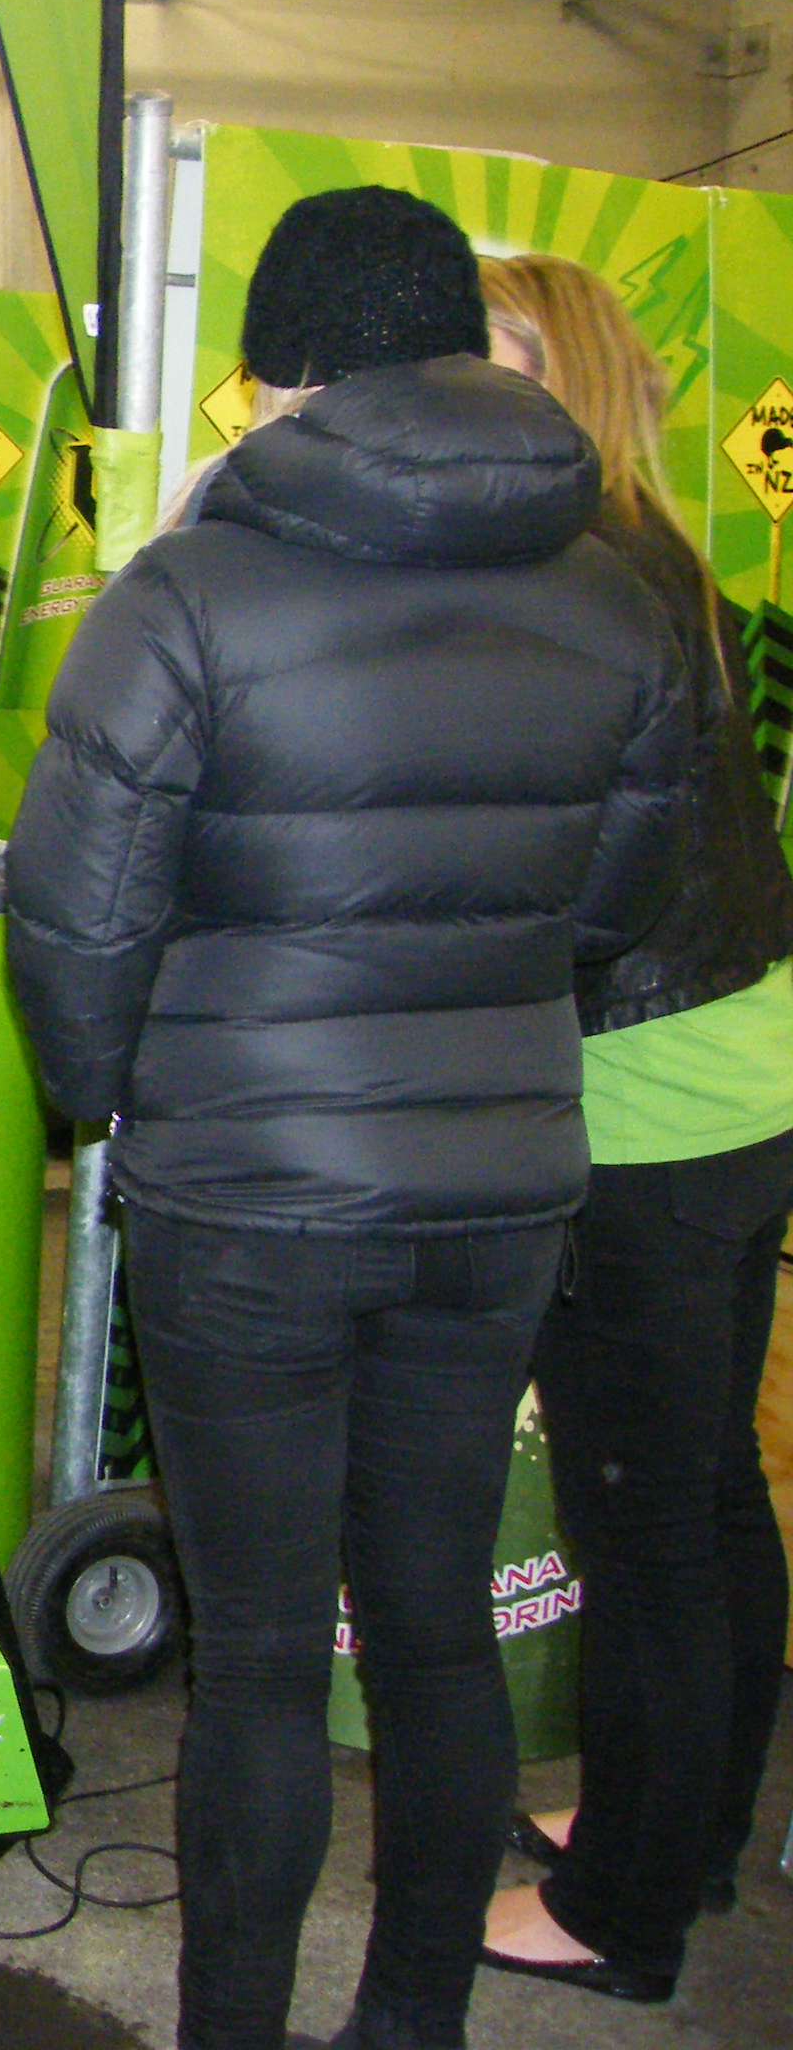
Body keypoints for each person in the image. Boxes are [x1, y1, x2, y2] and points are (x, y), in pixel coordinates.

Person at [2, 188, 692, 2050]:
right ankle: (409, 2028)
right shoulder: (612, 594)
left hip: (245, 1189)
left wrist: (106, 1097)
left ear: (288, 365)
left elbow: (73, 922)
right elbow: (612, 903)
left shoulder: (187, 596)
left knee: (252, 1663)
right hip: (496, 1188)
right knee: (433, 1627)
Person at [470, 254, 793, 2004]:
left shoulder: (570, 570)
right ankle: (684, 1828)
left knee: (643, 1522)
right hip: (737, 1068)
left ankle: (621, 1914)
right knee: (705, 1497)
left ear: (565, 374)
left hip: (645, 1099)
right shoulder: (650, 550)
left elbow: (570, 867)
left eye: (489, 352)